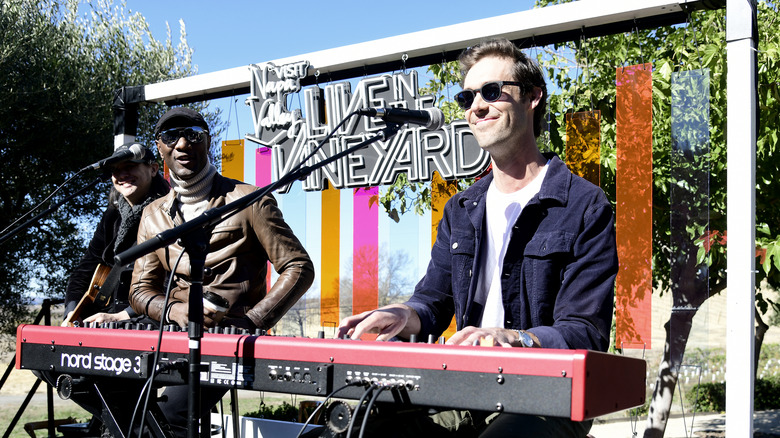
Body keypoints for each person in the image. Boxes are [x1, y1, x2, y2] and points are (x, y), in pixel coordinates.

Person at [336, 38, 618, 437]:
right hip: (465, 390)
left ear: (533, 97)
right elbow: (432, 303)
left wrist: (514, 339)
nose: (476, 106)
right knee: (361, 427)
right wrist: (402, 314)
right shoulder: (460, 210)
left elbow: (585, 330)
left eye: (490, 92)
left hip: (547, 397)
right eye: (466, 96)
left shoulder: (584, 205)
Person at [128, 107, 315, 437]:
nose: (183, 144)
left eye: (193, 135)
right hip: (169, 334)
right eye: (172, 137)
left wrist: (250, 322)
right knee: (104, 392)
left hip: (226, 338)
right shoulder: (152, 214)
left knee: (171, 416)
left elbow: (298, 266)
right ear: (160, 147)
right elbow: (140, 289)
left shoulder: (250, 200)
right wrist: (172, 309)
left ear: (208, 142)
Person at [62, 144, 169, 326]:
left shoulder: (171, 212)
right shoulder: (113, 214)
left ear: (153, 169)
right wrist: (72, 311)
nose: (122, 174)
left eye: (130, 166)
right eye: (116, 170)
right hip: (106, 318)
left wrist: (123, 316)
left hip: (148, 322)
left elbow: (174, 283)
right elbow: (86, 268)